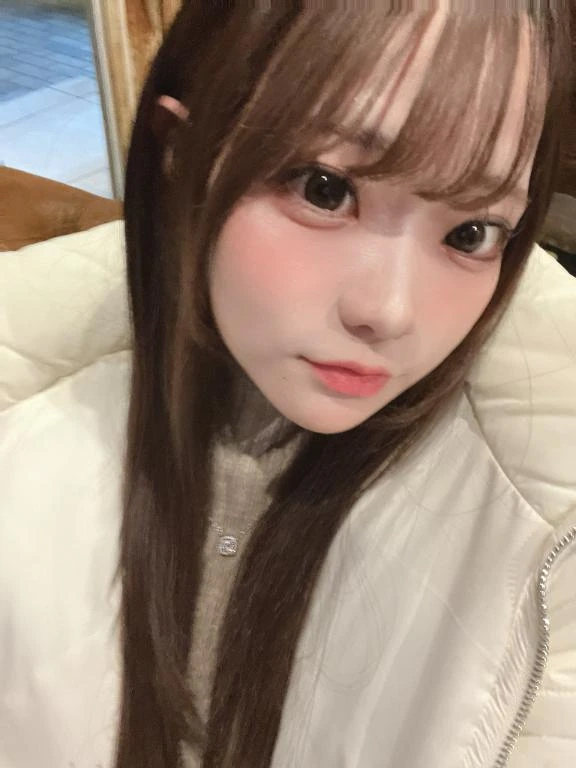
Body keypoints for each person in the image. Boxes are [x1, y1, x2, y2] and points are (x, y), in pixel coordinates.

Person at [1, 2, 575, 767]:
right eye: (325, 189)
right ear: (182, 156)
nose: (390, 311)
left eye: (471, 233)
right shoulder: (26, 428)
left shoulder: (550, 532)